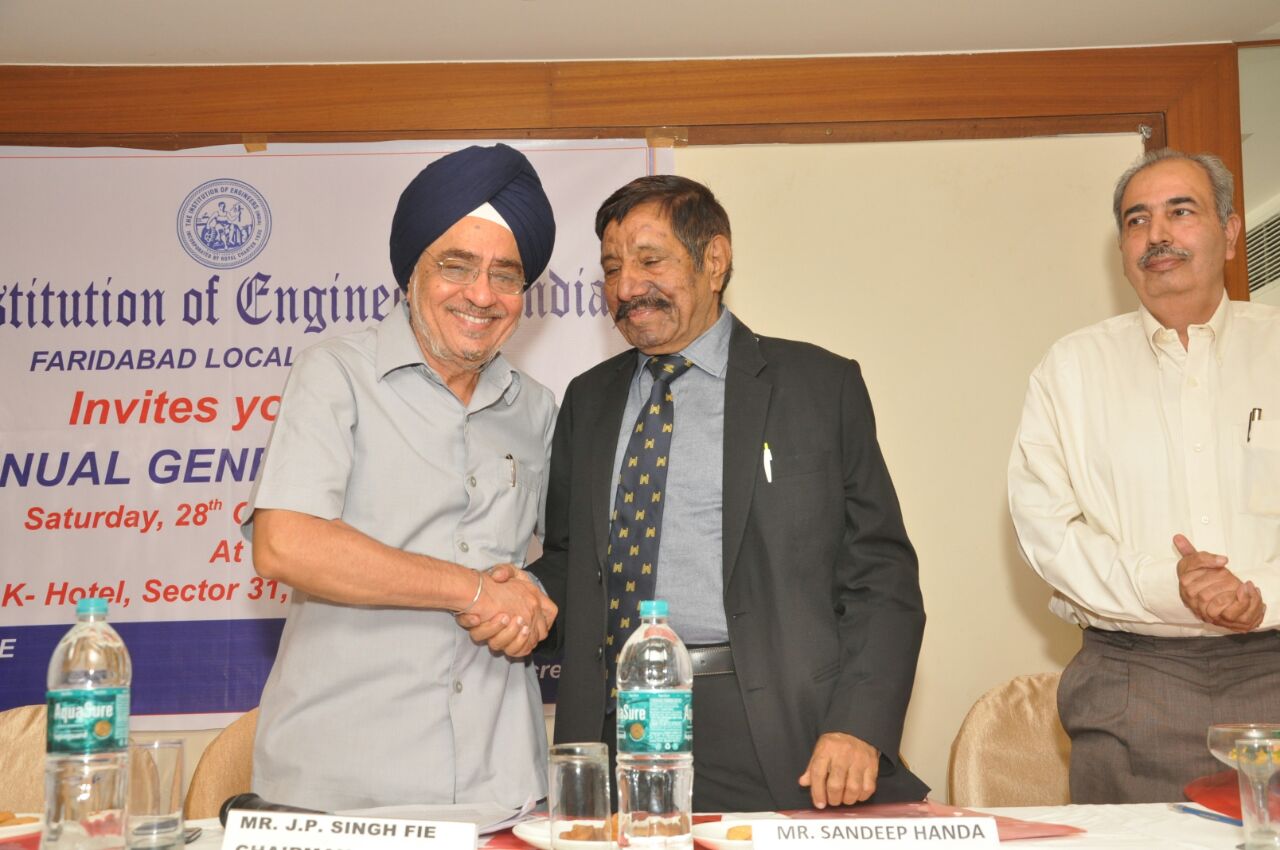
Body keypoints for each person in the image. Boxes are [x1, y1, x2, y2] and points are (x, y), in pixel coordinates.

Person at [470, 174, 928, 811]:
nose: (626, 287)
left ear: (715, 260)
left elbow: (881, 576)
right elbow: (576, 561)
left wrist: (858, 723)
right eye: (611, 268)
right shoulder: (588, 400)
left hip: (777, 731)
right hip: (615, 726)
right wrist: (521, 595)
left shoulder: (819, 387)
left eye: (649, 261)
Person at [241, 143, 560, 811]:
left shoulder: (536, 409)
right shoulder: (336, 374)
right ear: (410, 273)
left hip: (501, 786)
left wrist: (531, 594)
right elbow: (286, 544)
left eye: (506, 276)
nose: (481, 295)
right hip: (341, 788)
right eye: (456, 266)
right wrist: (472, 588)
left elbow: (568, 560)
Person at [1008, 148, 1280, 803]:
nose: (1157, 234)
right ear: (1122, 250)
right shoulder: (1072, 369)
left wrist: (1259, 593)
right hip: (1132, 682)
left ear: (1230, 233)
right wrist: (1169, 586)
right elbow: (1048, 532)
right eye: (1137, 220)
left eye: (1180, 212)